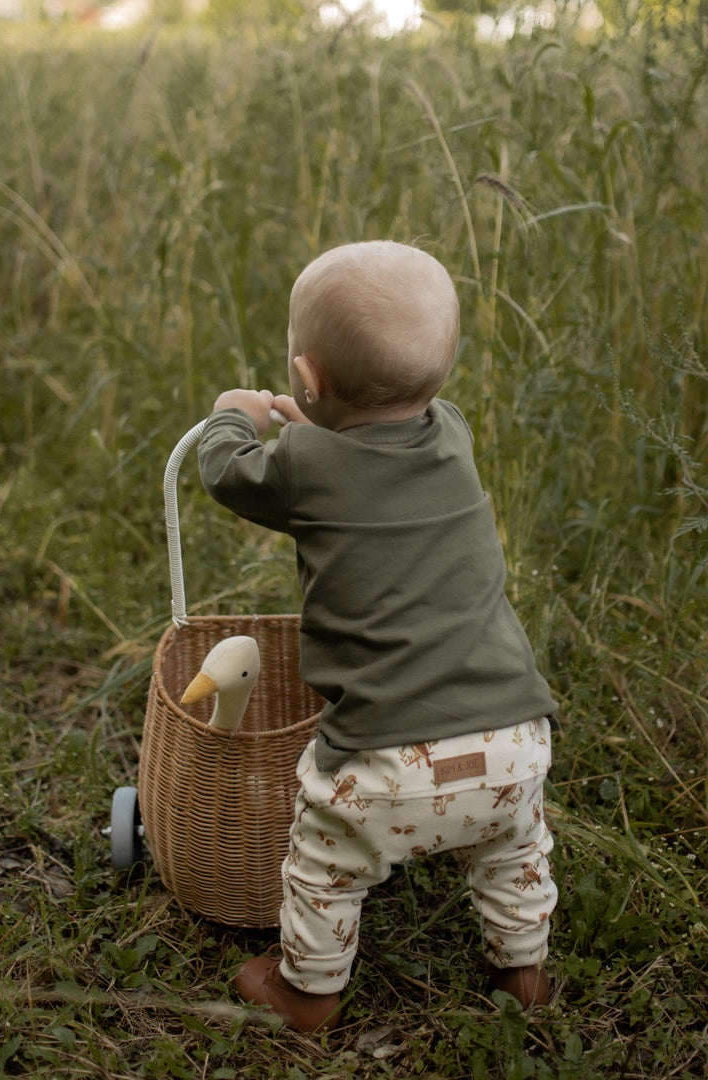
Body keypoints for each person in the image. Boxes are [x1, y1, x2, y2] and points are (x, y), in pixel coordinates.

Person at [197, 241, 559, 1033]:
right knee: (513, 853)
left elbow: (225, 471)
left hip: (387, 765)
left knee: (324, 865)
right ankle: (523, 971)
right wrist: (318, 426)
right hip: (514, 744)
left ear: (307, 377)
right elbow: (371, 443)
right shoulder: (453, 434)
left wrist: (238, 414)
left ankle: (309, 992)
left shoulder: (299, 464)